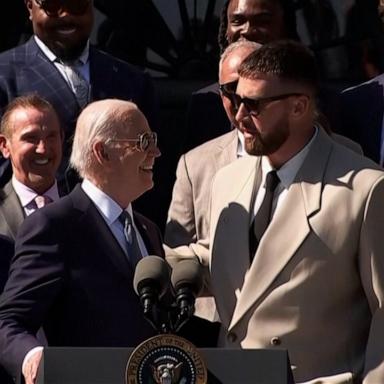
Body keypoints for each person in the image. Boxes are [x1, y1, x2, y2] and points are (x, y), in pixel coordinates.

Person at [167, 40, 384, 383]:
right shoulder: (227, 180)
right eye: (236, 100)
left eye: (253, 105)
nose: (238, 116)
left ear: (299, 107)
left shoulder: (366, 189)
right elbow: (238, 266)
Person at [0, 99, 164, 384]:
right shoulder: (54, 225)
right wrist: (32, 357)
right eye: (143, 141)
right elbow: (9, 321)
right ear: (103, 152)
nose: (156, 152)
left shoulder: (147, 229)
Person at [0, 0, 158, 191]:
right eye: (52, 5)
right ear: (29, 7)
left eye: (77, 4)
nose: (66, 14)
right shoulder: (4, 75)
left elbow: (151, 172)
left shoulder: (132, 81)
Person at [182, 0, 298, 153]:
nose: (247, 31)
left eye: (263, 21)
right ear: (225, 31)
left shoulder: (319, 103)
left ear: (286, 29)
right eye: (237, 21)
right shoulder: (205, 104)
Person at [0, 94, 63, 239]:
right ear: (4, 146)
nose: (42, 148)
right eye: (31, 138)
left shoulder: (86, 210)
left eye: (51, 136)